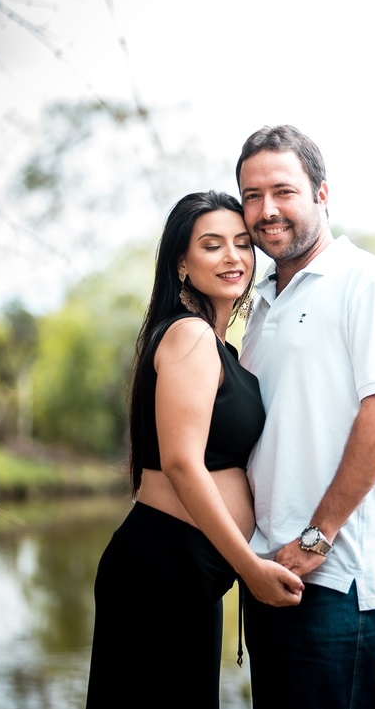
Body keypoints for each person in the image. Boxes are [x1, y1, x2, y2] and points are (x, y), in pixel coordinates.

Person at [86, 191, 304, 708]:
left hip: (186, 571)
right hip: (162, 569)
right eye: (212, 246)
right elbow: (183, 465)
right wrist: (251, 569)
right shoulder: (188, 336)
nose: (233, 257)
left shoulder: (219, 344)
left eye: (243, 244)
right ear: (181, 263)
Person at [235, 125, 375, 707]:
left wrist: (316, 538)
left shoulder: (367, 281)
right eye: (252, 196)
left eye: (283, 191)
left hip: (335, 580)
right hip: (268, 568)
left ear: (321, 193)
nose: (266, 211)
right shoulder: (262, 301)